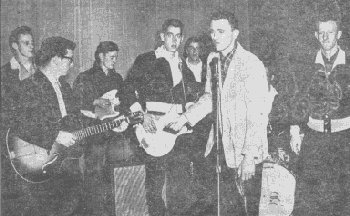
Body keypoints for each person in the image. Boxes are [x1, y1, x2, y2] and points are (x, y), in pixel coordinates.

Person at [168, 10, 273, 215]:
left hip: (246, 152)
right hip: (223, 149)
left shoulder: (251, 64)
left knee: (248, 209)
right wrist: (185, 119)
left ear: (235, 34)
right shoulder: (213, 60)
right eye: (212, 32)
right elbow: (210, 98)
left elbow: (258, 114)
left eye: (221, 31)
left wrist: (249, 156)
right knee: (227, 207)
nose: (215, 36)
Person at [122, 19, 205, 216]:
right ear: (162, 36)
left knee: (179, 183)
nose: (174, 40)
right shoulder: (147, 60)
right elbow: (126, 89)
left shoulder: (184, 67)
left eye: (178, 36)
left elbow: (194, 99)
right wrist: (141, 115)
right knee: (155, 186)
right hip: (152, 129)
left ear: (182, 38)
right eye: (170, 35)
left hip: (178, 131)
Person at [13, 36, 86, 216]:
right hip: (39, 161)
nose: (72, 63)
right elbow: (20, 124)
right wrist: (55, 134)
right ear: (56, 60)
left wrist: (112, 123)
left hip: (65, 161)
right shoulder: (30, 86)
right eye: (70, 58)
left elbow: (76, 121)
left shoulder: (65, 87)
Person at [290, 12, 350, 216]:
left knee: (342, 200)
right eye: (321, 33)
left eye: (330, 32)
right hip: (314, 141)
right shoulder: (306, 65)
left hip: (344, 142)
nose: (325, 37)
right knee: (309, 200)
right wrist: (294, 129)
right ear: (316, 35)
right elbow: (299, 98)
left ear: (339, 34)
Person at [73, 41, 126, 216]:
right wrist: (95, 101)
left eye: (116, 57)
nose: (114, 61)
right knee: (95, 174)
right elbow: (74, 104)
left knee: (116, 173)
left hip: (114, 132)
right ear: (100, 56)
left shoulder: (117, 78)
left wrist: (119, 104)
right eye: (111, 57)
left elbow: (123, 103)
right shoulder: (84, 77)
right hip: (94, 133)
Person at [1, 26, 36, 215]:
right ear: (15, 45)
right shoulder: (4, 74)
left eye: (32, 42)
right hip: (15, 142)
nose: (32, 46)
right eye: (26, 43)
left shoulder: (40, 71)